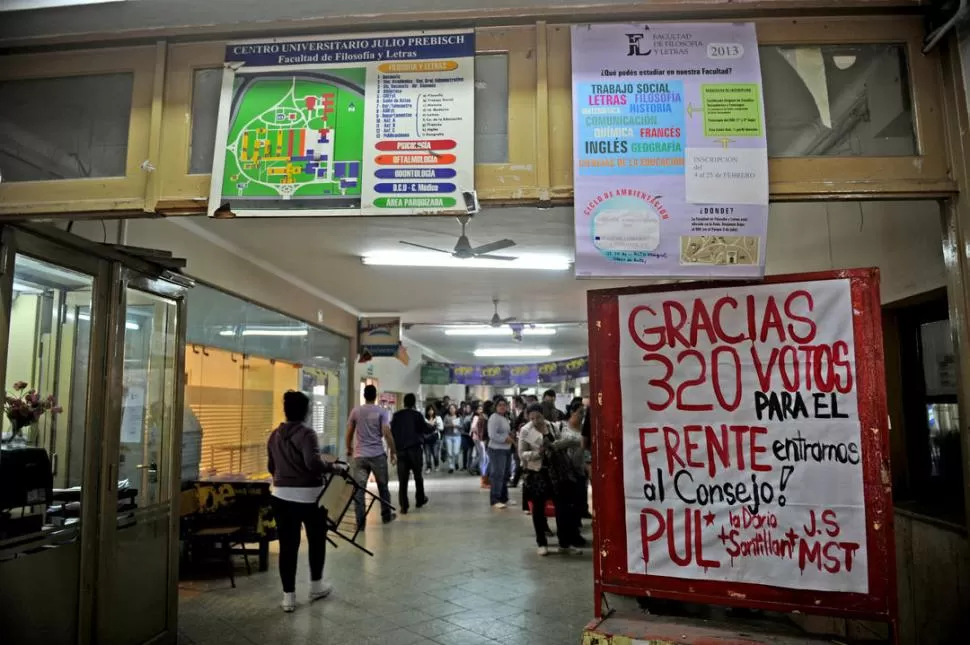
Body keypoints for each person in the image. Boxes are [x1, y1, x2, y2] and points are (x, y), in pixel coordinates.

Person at [268, 391, 340, 612]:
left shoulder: (274, 435)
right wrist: (332, 467)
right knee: (316, 540)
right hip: (311, 498)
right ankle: (316, 586)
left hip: (281, 497)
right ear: (305, 411)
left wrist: (284, 476)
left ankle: (288, 598)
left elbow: (271, 467)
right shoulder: (307, 434)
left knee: (288, 546)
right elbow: (313, 464)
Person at [346, 384, 397, 530]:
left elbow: (349, 431)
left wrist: (348, 447)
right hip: (377, 455)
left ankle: (360, 523)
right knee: (383, 487)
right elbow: (387, 433)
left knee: (359, 490)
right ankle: (386, 516)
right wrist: (393, 451)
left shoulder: (356, 411)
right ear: (375, 396)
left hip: (360, 456)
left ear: (364, 395)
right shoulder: (382, 412)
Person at [518, 402, 560, 555]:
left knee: (560, 505)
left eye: (539, 417)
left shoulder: (552, 427)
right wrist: (538, 453)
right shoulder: (525, 431)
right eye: (532, 418)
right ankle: (541, 542)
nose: (536, 420)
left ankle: (564, 541)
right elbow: (521, 453)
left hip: (555, 471)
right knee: (538, 508)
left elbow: (559, 442)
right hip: (536, 472)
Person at [544, 400, 584, 551]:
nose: (582, 415)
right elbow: (556, 445)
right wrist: (577, 441)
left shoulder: (584, 426)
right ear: (572, 412)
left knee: (575, 506)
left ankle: (573, 535)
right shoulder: (560, 427)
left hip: (579, 470)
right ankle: (565, 538)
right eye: (580, 412)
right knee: (564, 507)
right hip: (564, 473)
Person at [390, 393, 429, 514]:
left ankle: (404, 506)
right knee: (418, 476)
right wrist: (433, 428)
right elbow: (425, 428)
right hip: (415, 450)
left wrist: (393, 450)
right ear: (414, 403)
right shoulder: (417, 415)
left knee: (403, 480)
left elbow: (393, 432)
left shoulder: (396, 416)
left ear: (404, 402)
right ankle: (419, 499)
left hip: (401, 451)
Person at [486, 397, 514, 509]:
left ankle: (504, 497)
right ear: (495, 407)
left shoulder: (504, 417)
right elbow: (492, 435)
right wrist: (505, 439)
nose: (502, 407)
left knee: (505, 474)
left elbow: (504, 432)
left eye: (504, 405)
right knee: (497, 475)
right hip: (496, 450)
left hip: (506, 449)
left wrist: (510, 435)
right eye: (500, 405)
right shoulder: (494, 418)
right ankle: (495, 499)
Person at [442, 403, 462, 473]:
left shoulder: (459, 416)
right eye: (450, 408)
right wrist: (450, 425)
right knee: (449, 452)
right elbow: (443, 425)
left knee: (456, 452)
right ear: (449, 409)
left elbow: (462, 426)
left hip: (457, 436)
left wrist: (457, 426)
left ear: (456, 409)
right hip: (448, 436)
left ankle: (456, 462)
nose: (452, 410)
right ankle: (451, 467)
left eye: (453, 408)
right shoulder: (446, 416)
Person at [423, 404, 443, 473]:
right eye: (429, 410)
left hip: (435, 439)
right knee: (427, 454)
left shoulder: (438, 418)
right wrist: (428, 425)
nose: (430, 411)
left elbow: (441, 428)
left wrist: (435, 425)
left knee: (435, 454)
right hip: (426, 439)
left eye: (432, 410)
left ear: (434, 411)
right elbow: (421, 428)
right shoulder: (424, 419)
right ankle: (428, 467)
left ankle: (436, 465)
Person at [459, 401, 475, 471]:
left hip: (470, 435)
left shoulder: (473, 415)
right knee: (464, 451)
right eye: (466, 407)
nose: (467, 409)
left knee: (470, 451)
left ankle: (469, 465)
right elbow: (461, 425)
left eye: (468, 407)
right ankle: (464, 465)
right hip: (464, 434)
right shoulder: (462, 416)